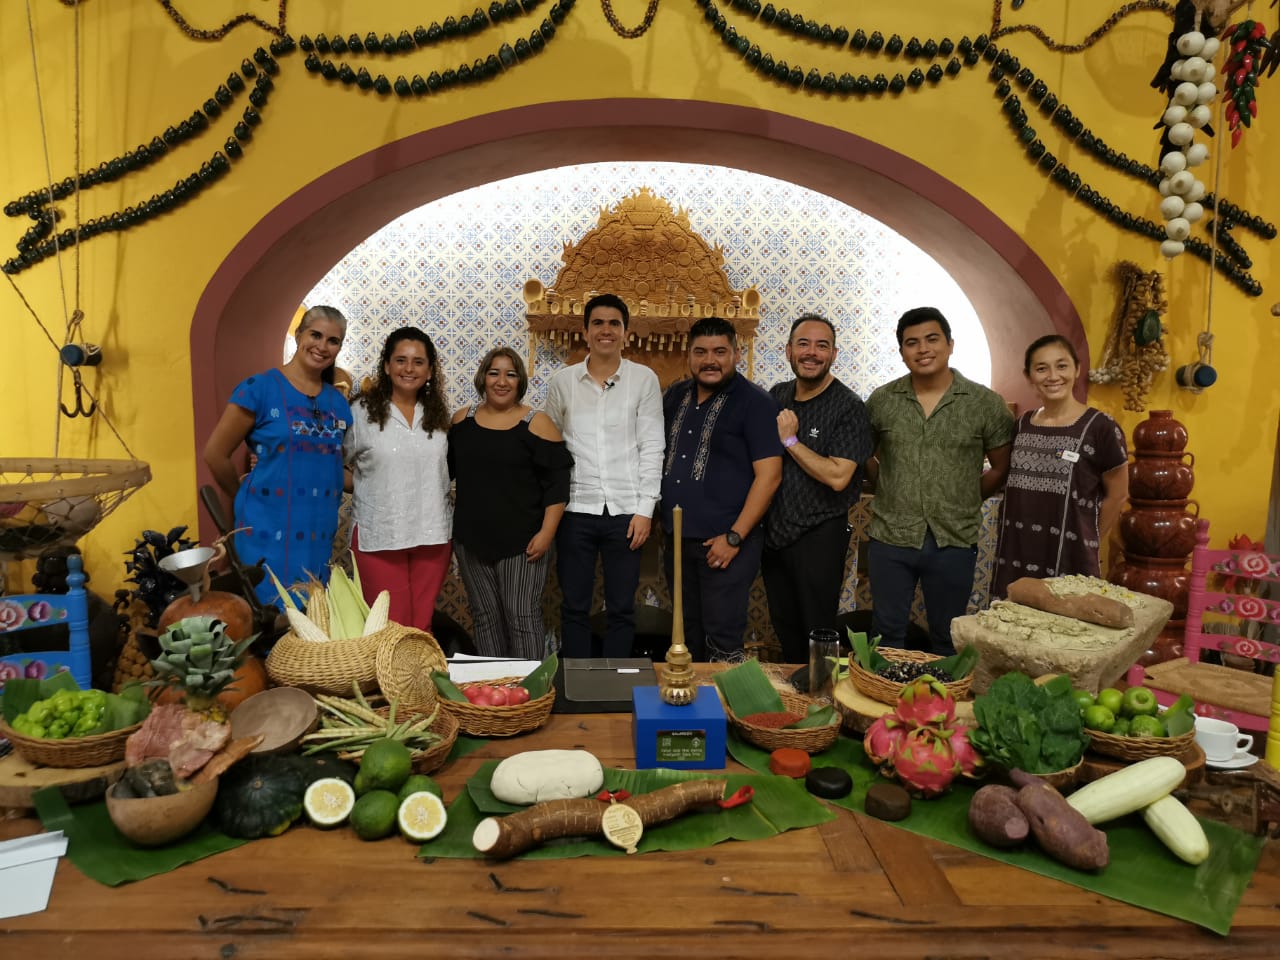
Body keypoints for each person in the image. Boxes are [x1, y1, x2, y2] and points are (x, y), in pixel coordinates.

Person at [865, 306, 1014, 655]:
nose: (923, 349)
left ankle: (940, 708)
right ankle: (886, 705)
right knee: (887, 633)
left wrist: (966, 498)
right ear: (902, 352)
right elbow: (864, 457)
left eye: (932, 339)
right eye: (911, 343)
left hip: (954, 540)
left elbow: (1000, 467)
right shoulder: (882, 401)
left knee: (948, 636)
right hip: (891, 537)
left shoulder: (984, 403)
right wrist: (886, 485)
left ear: (950, 344)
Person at [204, 305, 351, 607]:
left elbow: (336, 466)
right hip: (264, 528)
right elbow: (215, 454)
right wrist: (243, 494)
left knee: (311, 620)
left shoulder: (338, 402)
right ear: (299, 335)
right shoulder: (260, 388)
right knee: (267, 618)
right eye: (315, 335)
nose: (322, 346)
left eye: (333, 341)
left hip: (317, 532)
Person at [545, 293, 664, 659]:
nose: (606, 330)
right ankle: (578, 684)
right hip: (576, 509)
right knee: (575, 607)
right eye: (598, 323)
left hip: (627, 513)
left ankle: (616, 684)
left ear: (626, 333)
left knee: (621, 608)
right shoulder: (563, 382)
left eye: (614, 323)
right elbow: (550, 451)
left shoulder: (643, 379)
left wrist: (646, 510)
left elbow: (652, 446)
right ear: (585, 331)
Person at [661, 316, 783, 661]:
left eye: (719, 351)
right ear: (688, 355)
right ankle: (689, 710)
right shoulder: (675, 396)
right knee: (685, 635)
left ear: (736, 354)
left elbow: (770, 476)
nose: (709, 360)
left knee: (722, 639)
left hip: (727, 544)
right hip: (678, 542)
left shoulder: (755, 402)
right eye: (700, 351)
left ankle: (724, 714)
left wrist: (734, 537)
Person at [448, 347, 572, 659]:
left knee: (522, 618)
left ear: (520, 381)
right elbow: (444, 472)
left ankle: (530, 694)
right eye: (494, 373)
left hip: (524, 541)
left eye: (511, 374)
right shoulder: (462, 420)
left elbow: (558, 486)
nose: (501, 381)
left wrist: (546, 534)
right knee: (485, 618)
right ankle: (496, 693)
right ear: (483, 378)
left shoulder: (537, 423)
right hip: (471, 541)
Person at [763, 314, 873, 664]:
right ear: (788, 351)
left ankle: (822, 705)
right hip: (776, 533)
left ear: (834, 354)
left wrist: (791, 440)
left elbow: (839, 476)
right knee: (784, 626)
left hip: (820, 533)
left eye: (821, 346)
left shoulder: (849, 407)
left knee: (817, 631)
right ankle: (793, 705)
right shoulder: (778, 395)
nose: (812, 353)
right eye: (804, 344)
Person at [991, 335, 1129, 598]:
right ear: (1029, 376)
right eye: (1041, 368)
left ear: (1077, 369)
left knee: (1065, 631)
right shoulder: (1022, 424)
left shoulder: (1100, 428)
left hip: (1071, 558)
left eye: (1062, 366)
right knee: (1013, 629)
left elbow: (1118, 494)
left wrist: (1090, 542)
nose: (1053, 376)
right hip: (1017, 554)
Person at [344, 326, 453, 632]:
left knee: (420, 628)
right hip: (379, 536)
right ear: (386, 366)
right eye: (401, 360)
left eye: (418, 362)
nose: (409, 368)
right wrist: (366, 486)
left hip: (432, 535)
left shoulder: (438, 416)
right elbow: (333, 465)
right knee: (390, 630)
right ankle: (386, 683)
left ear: (430, 370)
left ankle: (420, 682)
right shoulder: (359, 412)